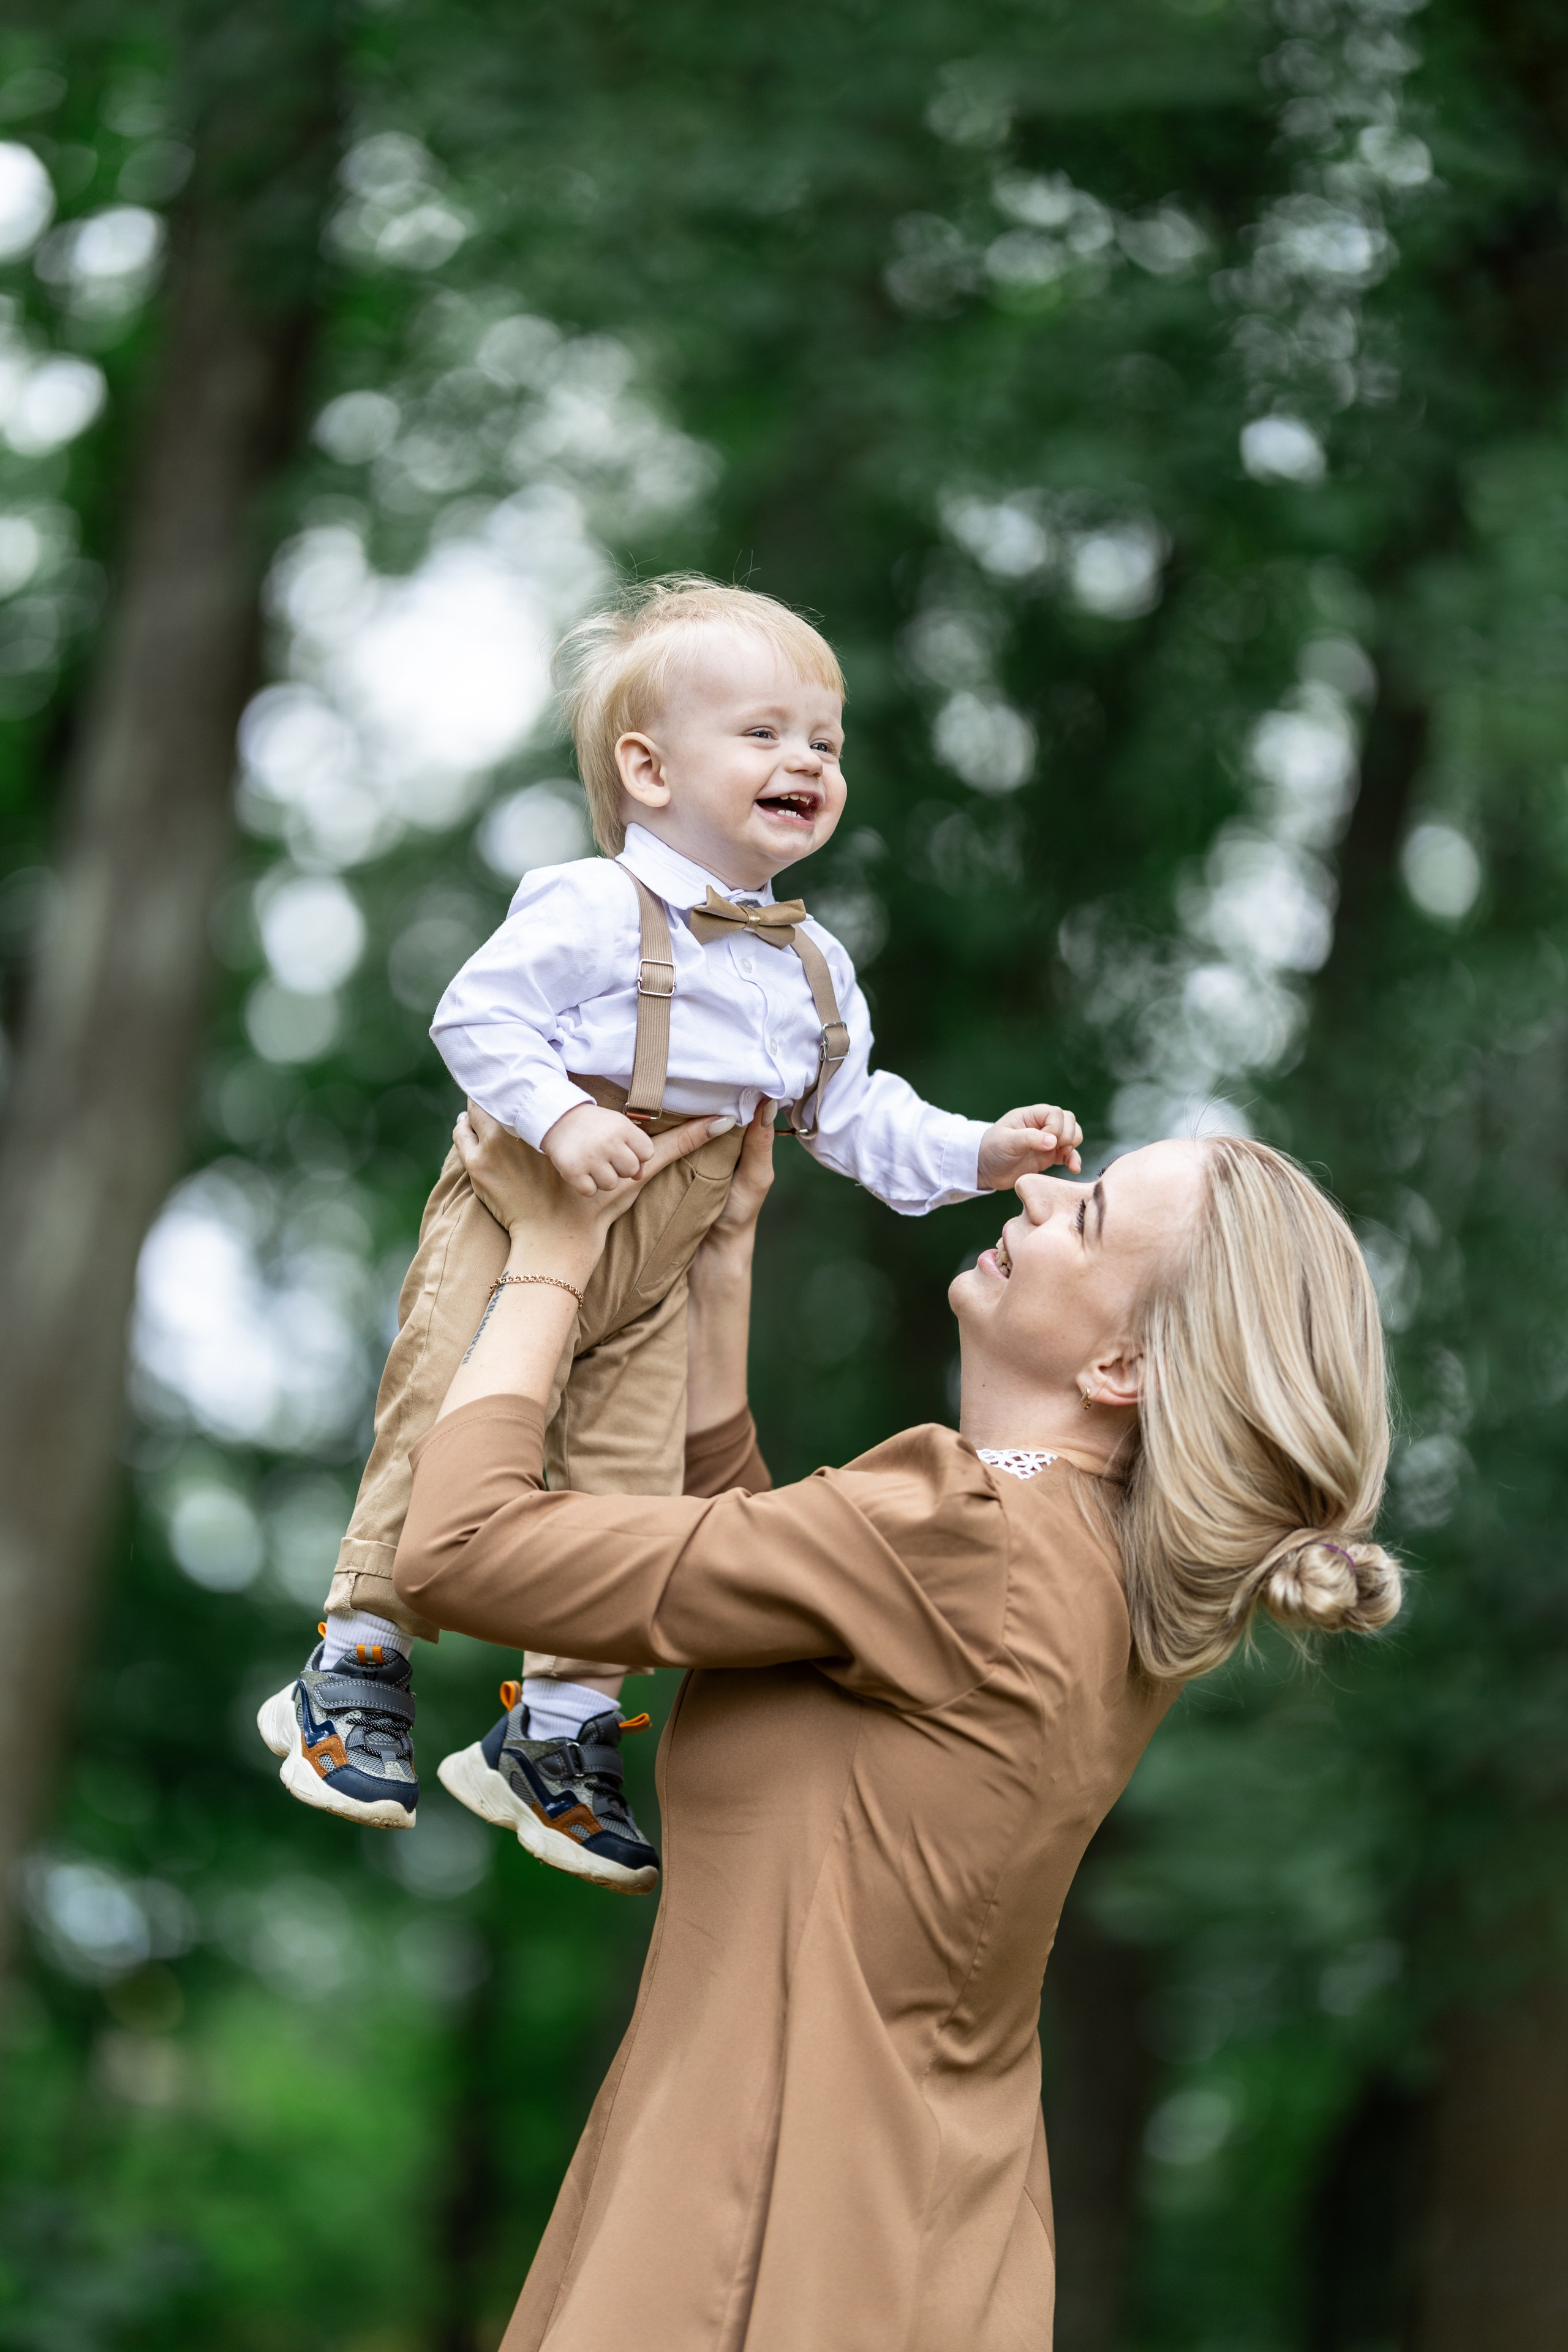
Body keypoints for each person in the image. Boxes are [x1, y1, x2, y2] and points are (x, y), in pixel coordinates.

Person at [391, 1101, 1403, 2352]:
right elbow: (754, 1590)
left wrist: (553, 1251)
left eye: (1081, 1216)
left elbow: (454, 1549)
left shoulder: (956, 1531)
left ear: (1122, 1370)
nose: (1032, 1195)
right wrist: (720, 1265)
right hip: (917, 2255)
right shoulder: (1070, 1559)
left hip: (745, 2254)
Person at [259, 575, 1085, 1890]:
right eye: (763, 733)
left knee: (627, 1486)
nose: (804, 760)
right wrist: (555, 1118)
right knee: (447, 1416)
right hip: (529, 1205)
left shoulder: (811, 969)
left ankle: (558, 1727)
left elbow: (854, 1117)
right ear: (647, 769)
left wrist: (982, 1153)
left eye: (824, 741)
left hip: (667, 1248)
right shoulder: (588, 907)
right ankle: (355, 1660)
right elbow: (475, 1022)